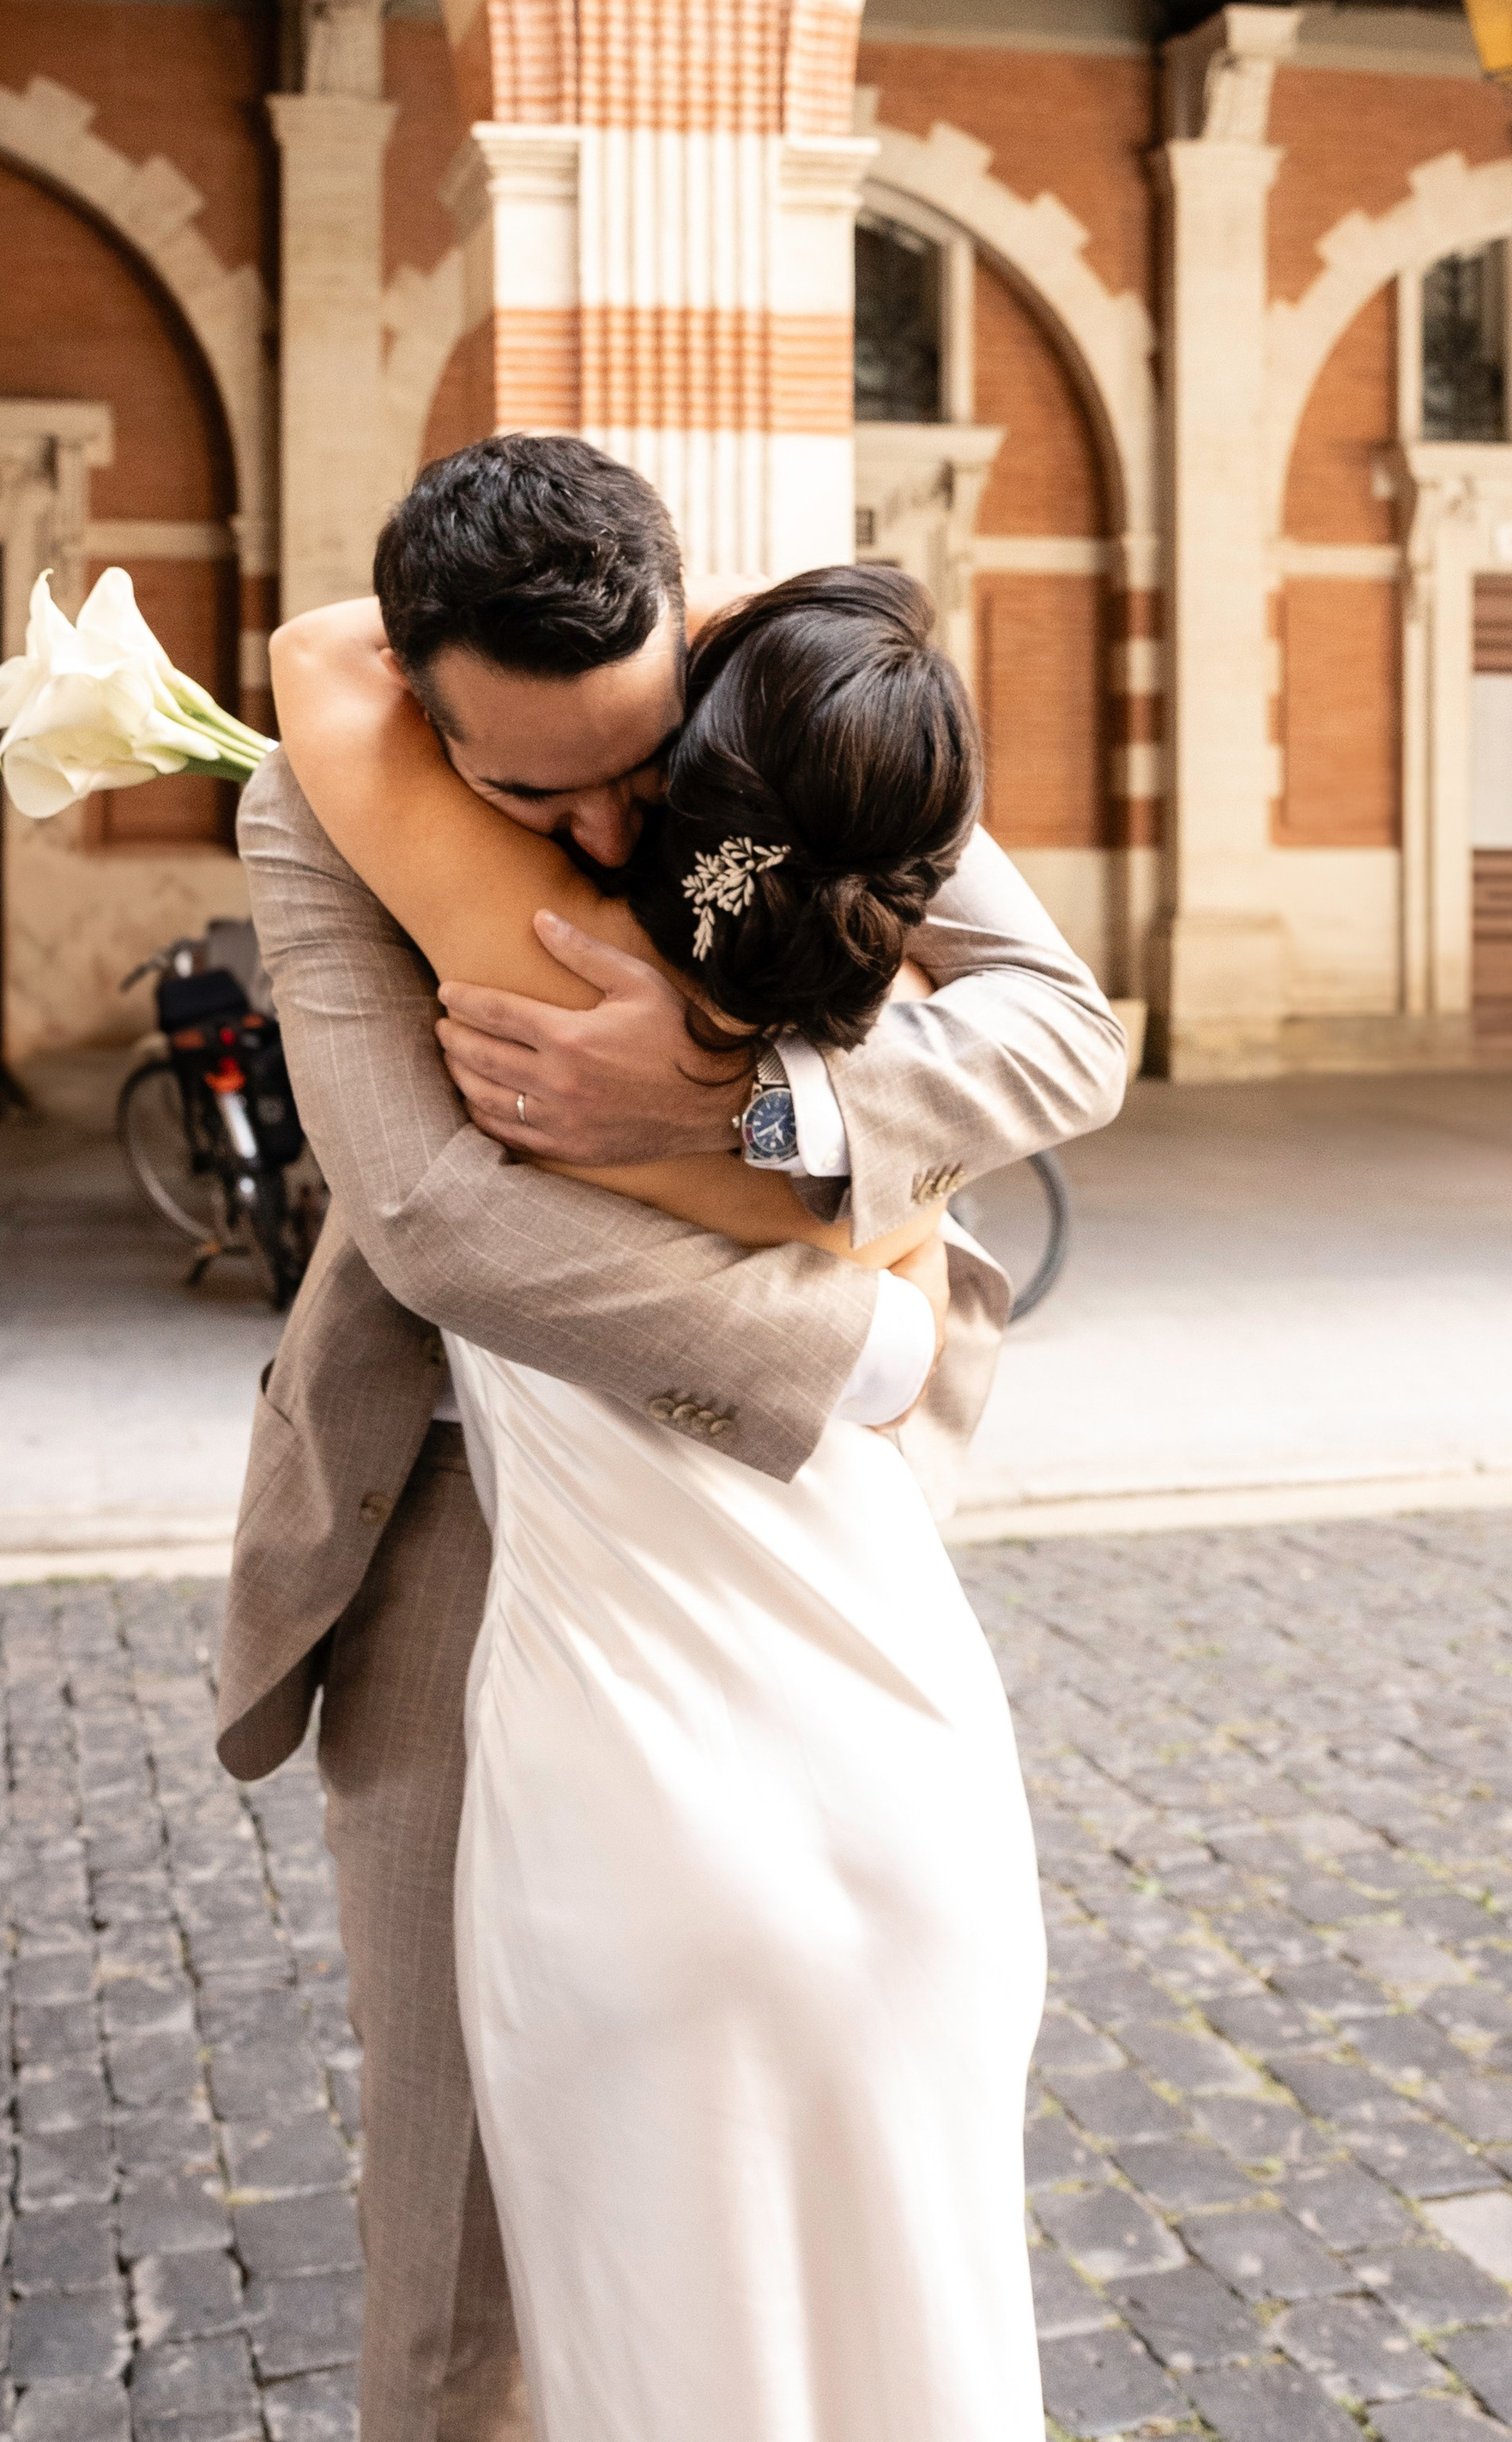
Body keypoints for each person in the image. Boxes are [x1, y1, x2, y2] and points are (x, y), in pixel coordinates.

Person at [215, 434, 1127, 2442]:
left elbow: (1068, 1029)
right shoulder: (314, 801)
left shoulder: (768, 704)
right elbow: (436, 1216)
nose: (617, 821)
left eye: (638, 762)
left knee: (847, 2060)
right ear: (425, 716)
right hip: (452, 1522)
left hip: (784, 1532)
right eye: (529, 791)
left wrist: (744, 1108)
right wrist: (856, 1353)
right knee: (457, 2236)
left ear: (684, 624)